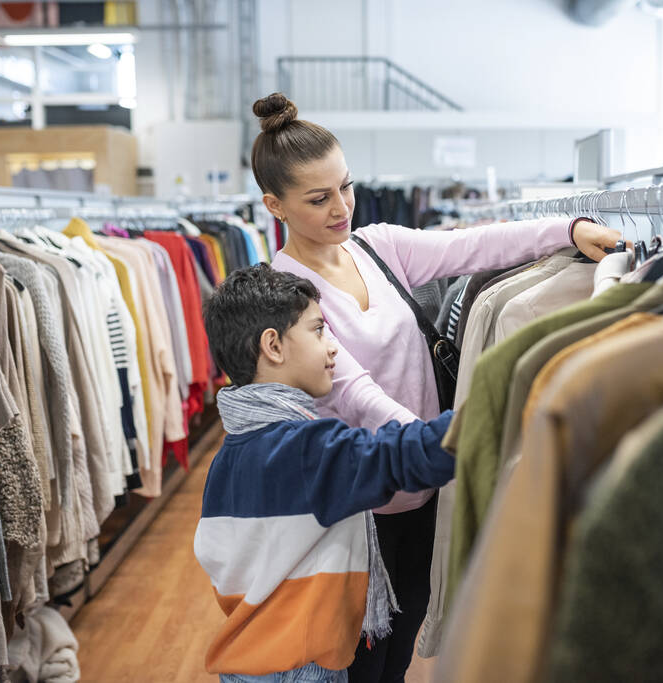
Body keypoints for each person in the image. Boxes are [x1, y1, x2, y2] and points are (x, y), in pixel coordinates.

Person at [251, 92, 626, 682]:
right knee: (357, 656)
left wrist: (570, 228)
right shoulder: (283, 291)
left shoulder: (377, 247)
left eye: (346, 187)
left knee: (408, 636)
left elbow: (475, 245)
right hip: (356, 506)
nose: (340, 207)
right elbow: (354, 391)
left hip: (423, 488)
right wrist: (439, 443)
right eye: (318, 198)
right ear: (274, 204)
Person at [194, 264, 457, 683]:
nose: (333, 348)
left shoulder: (236, 448)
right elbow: (403, 455)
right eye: (319, 331)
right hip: (300, 669)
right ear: (273, 347)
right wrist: (495, 403)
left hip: (255, 658)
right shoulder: (301, 450)